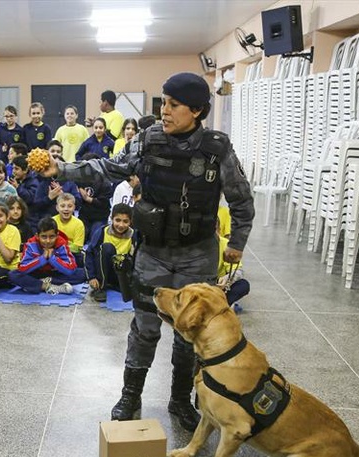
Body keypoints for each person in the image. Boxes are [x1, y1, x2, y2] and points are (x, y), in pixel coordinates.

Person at [38, 72, 254, 431]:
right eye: (162, 103)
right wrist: (63, 168)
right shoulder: (149, 140)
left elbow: (242, 200)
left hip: (198, 255)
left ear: (197, 110)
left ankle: (180, 400)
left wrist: (236, 243)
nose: (164, 111)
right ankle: (130, 394)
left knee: (189, 334)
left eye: (173, 105)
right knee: (145, 327)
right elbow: (108, 167)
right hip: (153, 252)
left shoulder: (217, 150)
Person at [8, 217, 87, 295]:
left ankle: (39, 284)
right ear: (37, 236)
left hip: (55, 274)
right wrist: (42, 259)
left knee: (84, 273)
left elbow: (70, 269)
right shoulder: (31, 245)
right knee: (13, 275)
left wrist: (53, 259)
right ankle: (47, 286)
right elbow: (22, 268)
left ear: (57, 235)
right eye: (44, 237)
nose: (48, 241)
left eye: (52, 237)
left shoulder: (61, 244)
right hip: (36, 273)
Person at [86, 204, 137, 302]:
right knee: (107, 247)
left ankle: (117, 285)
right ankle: (101, 287)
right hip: (102, 271)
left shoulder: (134, 236)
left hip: (121, 274)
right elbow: (89, 254)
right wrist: (91, 277)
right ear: (111, 219)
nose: (121, 225)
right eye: (117, 220)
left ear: (131, 222)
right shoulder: (102, 231)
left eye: (125, 221)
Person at [7, 155, 40, 230]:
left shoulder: (34, 182)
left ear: (25, 170)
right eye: (13, 168)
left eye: (16, 169)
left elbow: (30, 198)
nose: (13, 171)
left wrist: (18, 187)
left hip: (31, 220)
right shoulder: (14, 180)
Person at [52, 193, 85, 265]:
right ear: (57, 208)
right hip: (53, 253)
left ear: (74, 208)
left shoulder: (79, 224)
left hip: (72, 255)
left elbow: (77, 247)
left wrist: (60, 248)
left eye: (70, 206)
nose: (66, 209)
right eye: (62, 206)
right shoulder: (51, 222)